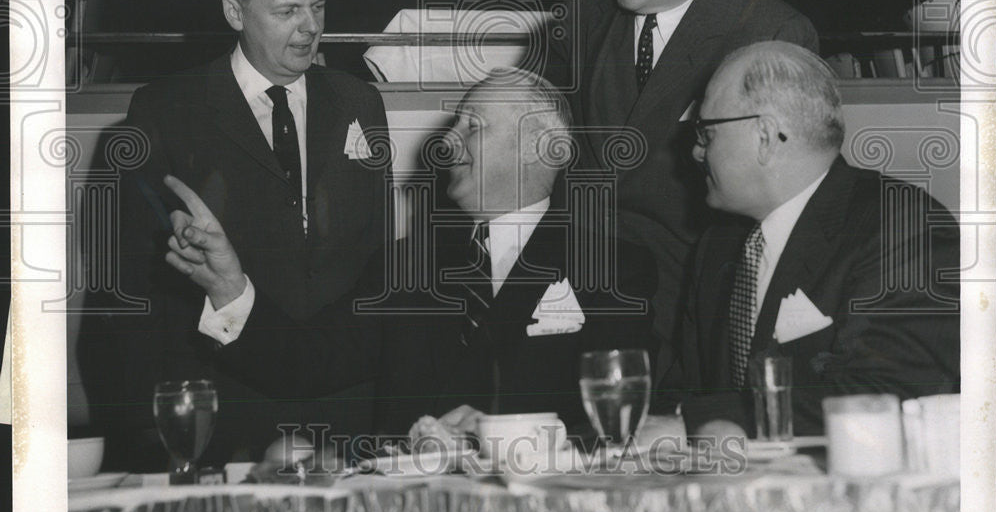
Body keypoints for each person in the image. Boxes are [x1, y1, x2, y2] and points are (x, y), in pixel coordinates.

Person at [162, 69, 658, 438]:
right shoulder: (404, 267)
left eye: (472, 126)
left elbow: (623, 428)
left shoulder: (615, 270)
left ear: (544, 148)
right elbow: (304, 364)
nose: (446, 141)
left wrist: (505, 441)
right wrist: (226, 284)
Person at [80, 0, 393, 467]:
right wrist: (156, 440)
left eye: (318, 6)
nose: (310, 28)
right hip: (226, 420)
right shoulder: (165, 110)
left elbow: (376, 262)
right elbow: (130, 297)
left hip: (344, 417)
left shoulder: (358, 103)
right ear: (234, 13)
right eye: (287, 11)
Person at [544, 0, 818, 367]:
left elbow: (780, 216)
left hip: (696, 308)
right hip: (569, 294)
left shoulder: (771, 34)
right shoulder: (579, 14)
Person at [657, 41, 960, 436]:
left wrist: (693, 425)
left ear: (764, 136)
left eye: (706, 133)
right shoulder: (718, 246)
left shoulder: (903, 226)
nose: (697, 152)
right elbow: (685, 390)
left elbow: (889, 397)